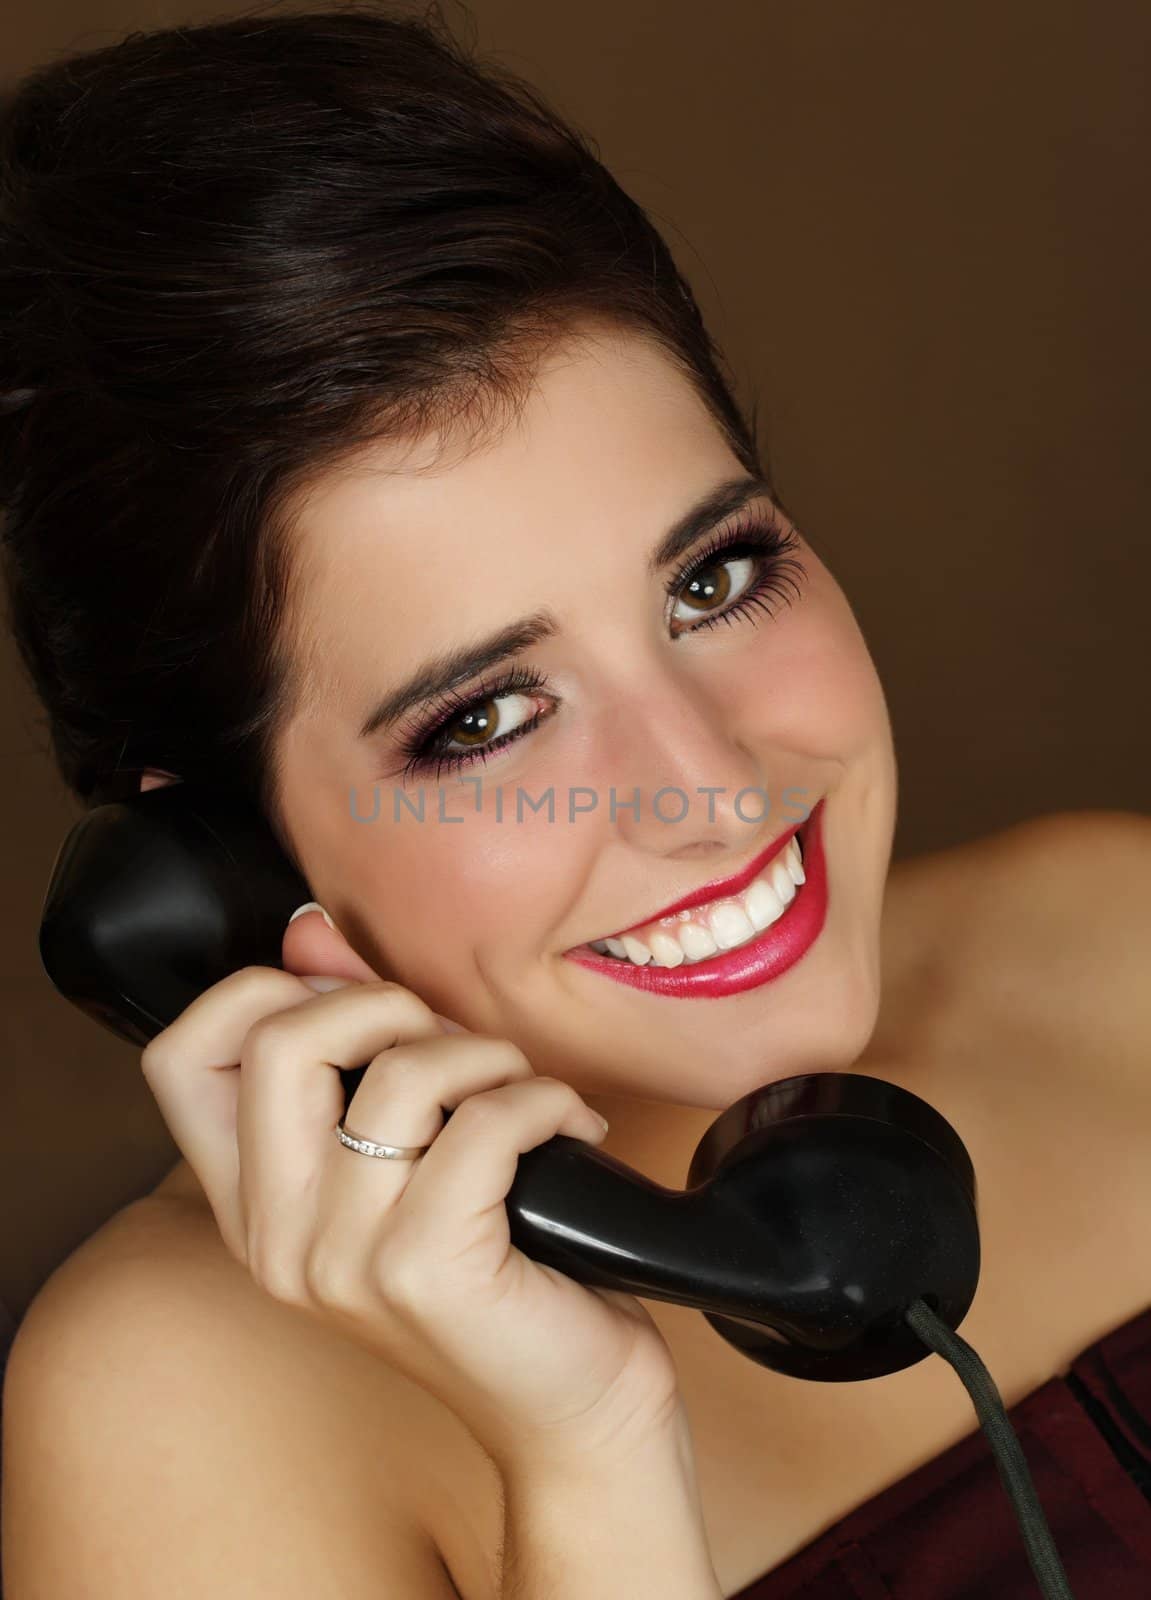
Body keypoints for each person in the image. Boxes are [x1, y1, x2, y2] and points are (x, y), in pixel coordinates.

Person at [1, 7, 1148, 1598]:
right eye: (483, 717)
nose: (708, 782)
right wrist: (590, 1450)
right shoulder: (177, 1414)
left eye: (716, 576)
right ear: (228, 861)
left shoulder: (1120, 935)